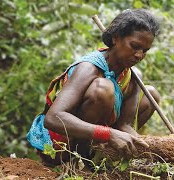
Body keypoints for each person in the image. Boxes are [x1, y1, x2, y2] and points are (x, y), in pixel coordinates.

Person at [27, 9, 160, 165]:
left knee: (151, 95)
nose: (139, 55)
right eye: (134, 46)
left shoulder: (132, 75)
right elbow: (53, 118)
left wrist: (149, 147)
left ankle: (100, 159)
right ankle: (78, 162)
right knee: (103, 89)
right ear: (116, 38)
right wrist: (108, 134)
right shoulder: (88, 68)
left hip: (97, 139)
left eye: (145, 51)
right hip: (61, 145)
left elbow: (124, 125)